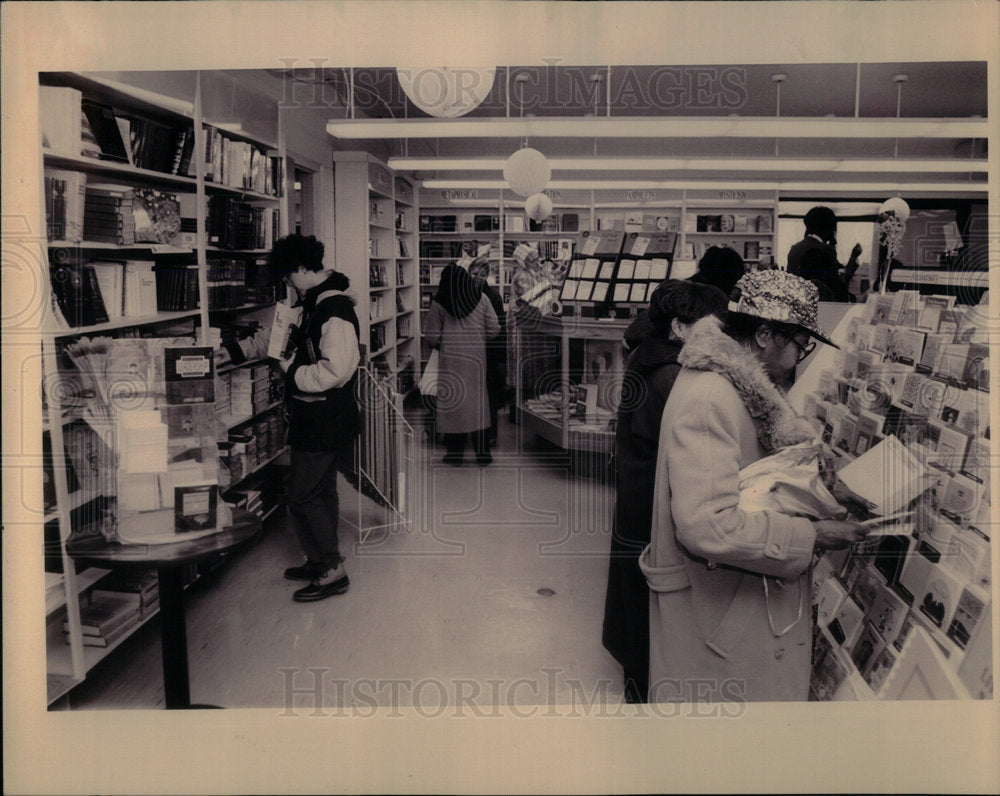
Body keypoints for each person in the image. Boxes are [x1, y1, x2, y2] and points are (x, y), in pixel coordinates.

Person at [640, 270, 869, 702]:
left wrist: (827, 488)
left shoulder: (740, 386)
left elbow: (754, 470)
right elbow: (708, 525)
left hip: (726, 602)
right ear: (765, 334)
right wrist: (811, 535)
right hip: (717, 616)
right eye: (802, 343)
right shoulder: (712, 397)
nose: (802, 356)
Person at [602, 279, 729, 703]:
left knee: (632, 597)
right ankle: (643, 698)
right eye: (709, 328)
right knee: (646, 602)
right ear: (680, 328)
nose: (719, 337)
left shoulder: (647, 353)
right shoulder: (672, 374)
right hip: (650, 501)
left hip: (635, 493)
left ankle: (637, 681)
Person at [270, 233, 361, 602]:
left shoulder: (333, 308)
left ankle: (330, 569)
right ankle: (321, 559)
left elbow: (335, 370)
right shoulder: (316, 302)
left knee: (302, 494)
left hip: (324, 415)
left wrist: (291, 373)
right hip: (320, 414)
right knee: (321, 491)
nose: (288, 283)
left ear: (304, 268)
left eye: (290, 276)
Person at [423, 263, 500, 466]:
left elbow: (431, 335)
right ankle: (483, 455)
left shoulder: (439, 303)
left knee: (454, 405)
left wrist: (445, 344)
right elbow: (494, 329)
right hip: (476, 360)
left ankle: (455, 454)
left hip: (451, 361)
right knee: (478, 405)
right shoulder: (482, 299)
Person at [506, 243, 559, 416]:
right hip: (523, 329)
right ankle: (520, 409)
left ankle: (531, 407)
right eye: (533, 260)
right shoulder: (522, 276)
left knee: (533, 367)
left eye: (537, 258)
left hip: (534, 326)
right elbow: (534, 300)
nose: (538, 262)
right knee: (524, 367)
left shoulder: (535, 273)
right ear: (524, 262)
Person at [468, 256, 507, 446]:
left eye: (482, 274)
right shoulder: (462, 293)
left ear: (488, 276)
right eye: (474, 273)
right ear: (468, 274)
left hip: (489, 352)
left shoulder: (493, 296)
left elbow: (500, 328)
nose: (478, 278)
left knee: (490, 393)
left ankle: (490, 434)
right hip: (468, 352)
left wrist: (501, 358)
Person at [786, 205, 862, 300]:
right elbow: (837, 287)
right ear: (828, 228)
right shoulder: (825, 250)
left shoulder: (795, 248)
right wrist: (853, 257)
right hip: (822, 306)